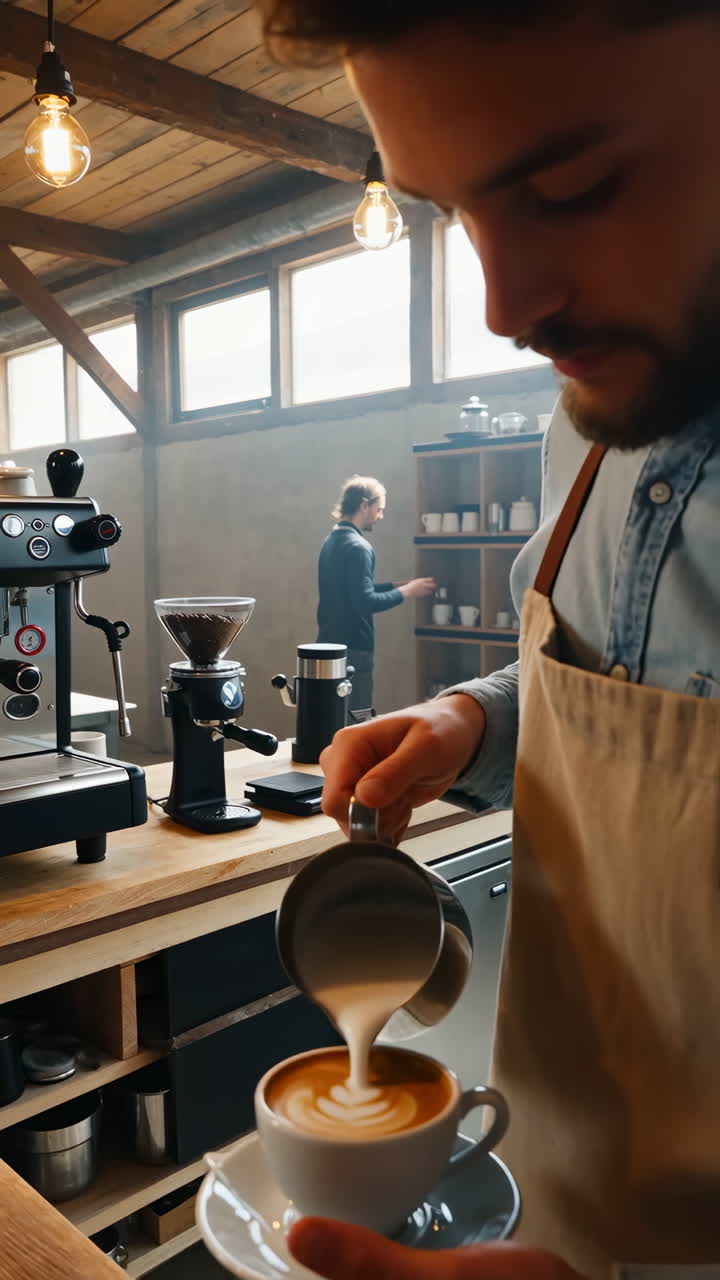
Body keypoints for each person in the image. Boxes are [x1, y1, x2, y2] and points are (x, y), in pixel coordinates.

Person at [255, 2, 720, 1278]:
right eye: (451, 213)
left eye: (574, 182)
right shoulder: (592, 422)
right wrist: (483, 716)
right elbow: (626, 668)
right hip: (554, 1199)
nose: (506, 304)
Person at [317, 475, 434, 709]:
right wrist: (408, 592)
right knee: (356, 719)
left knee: (331, 718)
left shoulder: (331, 541)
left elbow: (351, 592)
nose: (380, 516)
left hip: (328, 643)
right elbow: (365, 602)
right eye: (379, 509)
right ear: (364, 506)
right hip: (354, 650)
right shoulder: (360, 547)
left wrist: (394, 586)